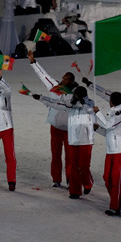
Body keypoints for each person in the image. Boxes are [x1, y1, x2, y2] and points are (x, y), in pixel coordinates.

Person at [82, 78, 121, 194]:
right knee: (117, 164)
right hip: (116, 136)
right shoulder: (118, 98)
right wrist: (90, 85)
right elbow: (103, 92)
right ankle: (116, 184)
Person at [32, 86, 95, 199]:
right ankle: (75, 191)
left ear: (82, 96)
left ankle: (88, 183)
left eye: (76, 95)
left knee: (84, 166)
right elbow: (56, 103)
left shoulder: (90, 103)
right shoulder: (71, 104)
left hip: (86, 140)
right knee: (74, 165)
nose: (74, 97)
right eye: (74, 95)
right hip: (73, 139)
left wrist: (82, 103)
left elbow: (89, 110)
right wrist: (41, 98)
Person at [28, 50, 78, 188]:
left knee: (70, 156)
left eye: (66, 79)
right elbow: (44, 76)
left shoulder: (76, 93)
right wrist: (33, 62)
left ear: (72, 81)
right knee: (55, 155)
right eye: (63, 78)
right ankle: (56, 179)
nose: (63, 80)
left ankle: (69, 178)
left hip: (69, 129)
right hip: (55, 127)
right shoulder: (56, 87)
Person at [93, 92, 121, 216]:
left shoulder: (120, 113)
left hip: (120, 150)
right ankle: (118, 200)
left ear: (111, 101)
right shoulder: (113, 111)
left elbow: (108, 125)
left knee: (115, 178)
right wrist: (98, 129)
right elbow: (110, 131)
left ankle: (114, 207)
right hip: (111, 150)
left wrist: (97, 113)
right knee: (106, 177)